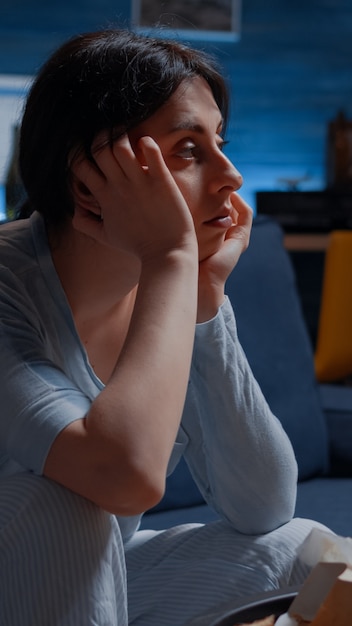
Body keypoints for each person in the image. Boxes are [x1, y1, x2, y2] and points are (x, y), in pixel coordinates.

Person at [0, 28, 328, 626]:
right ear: (90, 183)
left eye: (222, 145)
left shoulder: (165, 291)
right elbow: (120, 477)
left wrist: (204, 304)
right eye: (187, 150)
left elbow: (265, 507)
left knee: (304, 552)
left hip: (78, 587)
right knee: (61, 506)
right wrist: (172, 257)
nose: (231, 177)